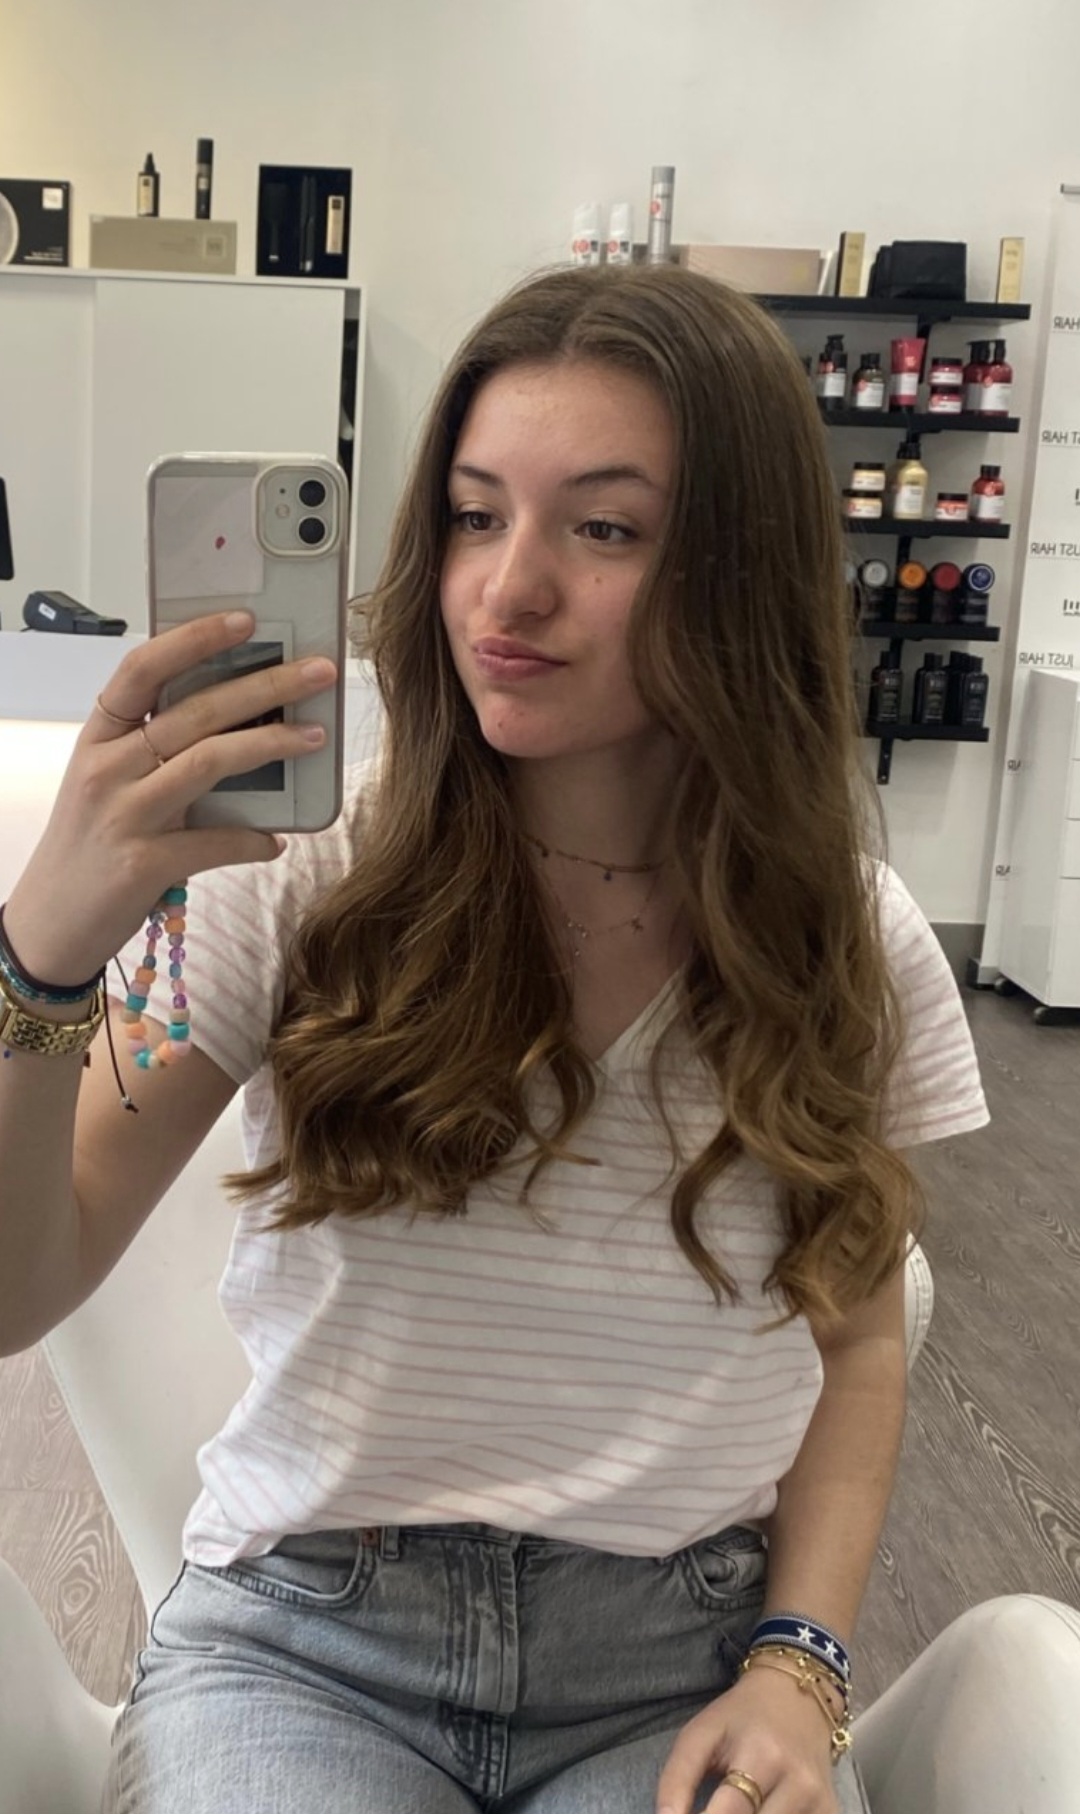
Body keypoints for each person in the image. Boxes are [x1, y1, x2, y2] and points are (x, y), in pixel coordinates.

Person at [0, 262, 988, 1814]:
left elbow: (860, 1338)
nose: (506, 591)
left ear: (739, 568)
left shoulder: (846, 943)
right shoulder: (291, 875)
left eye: (605, 529)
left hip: (676, 1661)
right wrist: (44, 954)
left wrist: (801, 1665)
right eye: (474, 514)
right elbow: (18, 1285)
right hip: (308, 1644)